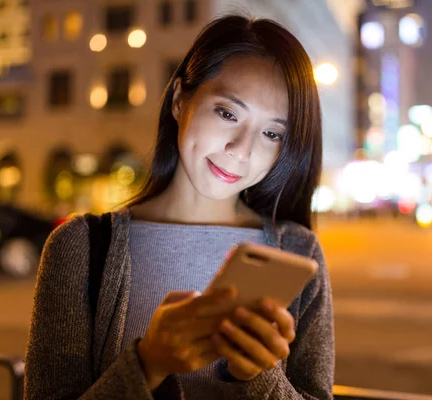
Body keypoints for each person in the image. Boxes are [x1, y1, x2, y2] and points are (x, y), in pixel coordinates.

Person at [24, 14, 334, 400]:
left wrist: (257, 375)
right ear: (178, 101)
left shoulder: (299, 253)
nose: (241, 150)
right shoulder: (79, 246)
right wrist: (148, 363)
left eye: (272, 133)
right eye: (227, 113)